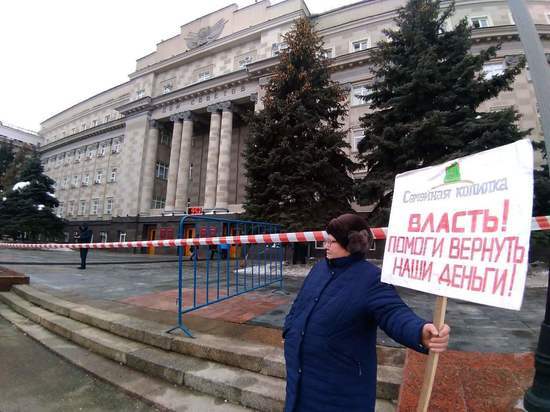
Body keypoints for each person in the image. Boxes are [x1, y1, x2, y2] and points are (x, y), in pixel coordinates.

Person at [283, 213, 450, 412]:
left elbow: (394, 313)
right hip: (300, 382)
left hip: (338, 391)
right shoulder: (319, 269)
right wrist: (289, 329)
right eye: (326, 240)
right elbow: (299, 304)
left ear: (351, 244)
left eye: (332, 241)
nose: (326, 245)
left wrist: (420, 332)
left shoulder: (372, 279)